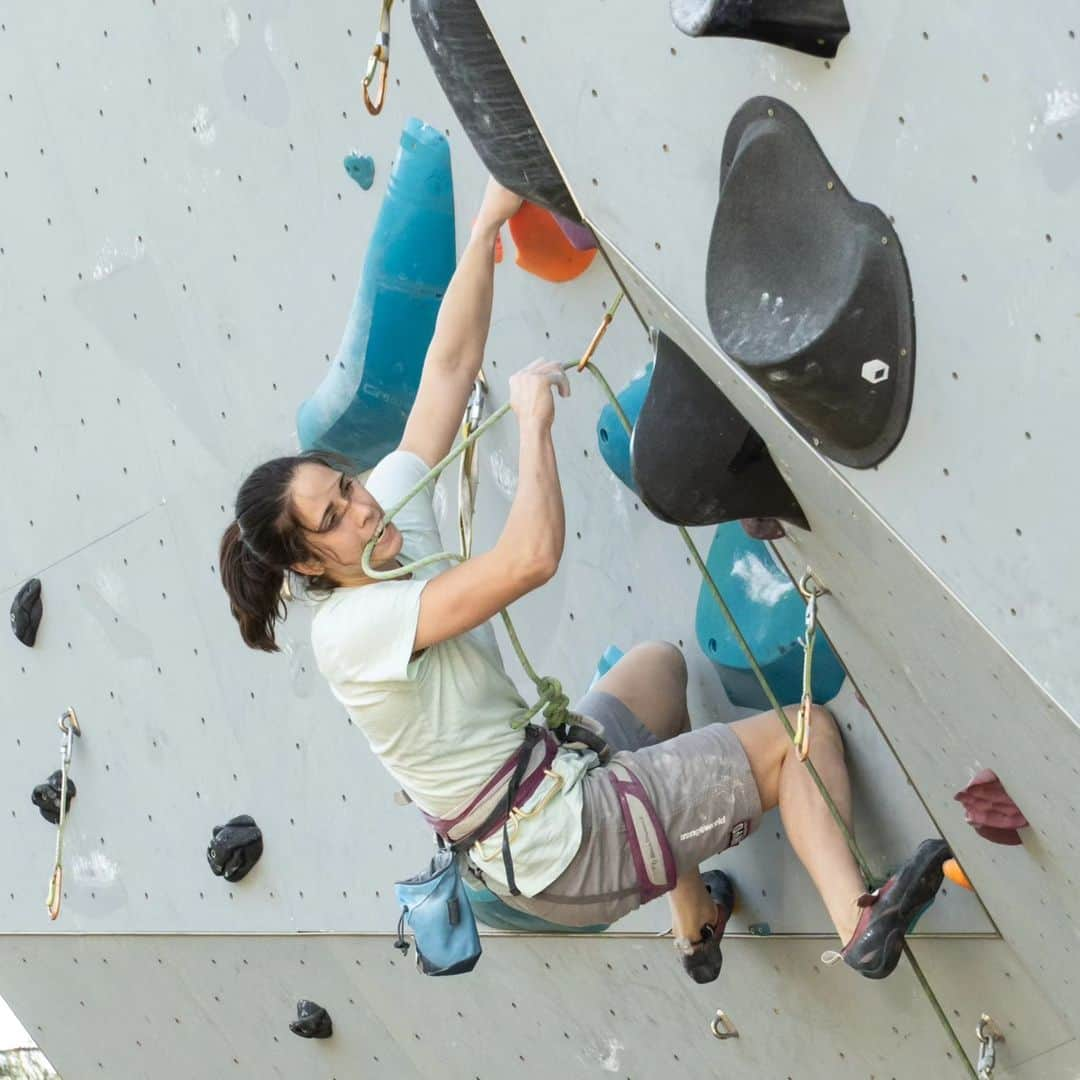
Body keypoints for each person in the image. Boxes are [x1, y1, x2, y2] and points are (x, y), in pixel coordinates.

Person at [218, 175, 951, 984]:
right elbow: (530, 559)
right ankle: (861, 926)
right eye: (331, 521)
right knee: (800, 738)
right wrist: (534, 424)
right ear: (304, 564)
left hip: (546, 791)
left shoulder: (382, 525)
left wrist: (489, 225)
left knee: (658, 675)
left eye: (346, 487)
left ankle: (693, 918)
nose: (358, 511)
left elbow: (449, 367)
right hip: (564, 844)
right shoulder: (350, 632)